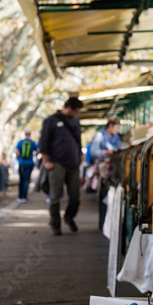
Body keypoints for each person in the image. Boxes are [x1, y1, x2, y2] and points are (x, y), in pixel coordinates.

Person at [38, 97, 84, 236]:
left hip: (73, 164)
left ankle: (69, 218)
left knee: (75, 196)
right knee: (55, 196)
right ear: (69, 107)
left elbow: (78, 142)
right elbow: (43, 143)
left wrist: (79, 157)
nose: (78, 113)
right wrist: (46, 161)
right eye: (76, 110)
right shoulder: (51, 121)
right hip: (56, 163)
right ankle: (55, 224)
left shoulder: (75, 122)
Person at [15, 131, 38, 202]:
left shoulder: (20, 142)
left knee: (21, 180)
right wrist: (34, 155)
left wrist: (18, 159)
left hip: (21, 163)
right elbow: (37, 151)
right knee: (26, 180)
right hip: (29, 163)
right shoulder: (32, 143)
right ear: (30, 135)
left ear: (25, 135)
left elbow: (16, 151)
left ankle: (20, 197)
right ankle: (24, 197)